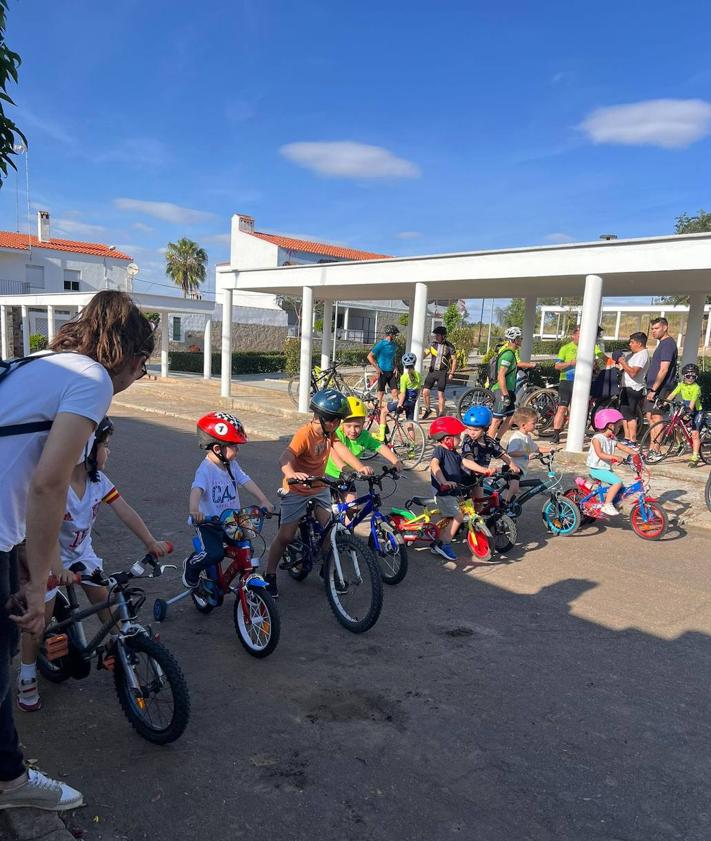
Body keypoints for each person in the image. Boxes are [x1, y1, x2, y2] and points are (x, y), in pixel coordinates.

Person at [0, 290, 154, 812]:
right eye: (142, 368)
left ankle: (9, 774)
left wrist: (23, 558)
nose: (137, 381)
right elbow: (48, 484)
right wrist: (40, 582)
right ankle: (10, 780)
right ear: (134, 358)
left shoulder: (38, 364)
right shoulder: (91, 380)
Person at [17, 417, 170, 713]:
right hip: (47, 555)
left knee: (107, 604)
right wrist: (59, 569)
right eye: (105, 445)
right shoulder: (55, 487)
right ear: (84, 447)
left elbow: (125, 511)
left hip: (81, 553)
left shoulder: (99, 482)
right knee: (40, 619)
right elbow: (44, 533)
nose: (108, 452)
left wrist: (150, 541)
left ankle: (123, 654)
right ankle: (26, 676)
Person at [263, 390, 373, 599]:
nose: (339, 424)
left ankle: (327, 570)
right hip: (296, 489)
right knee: (286, 536)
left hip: (319, 487)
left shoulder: (329, 433)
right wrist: (292, 473)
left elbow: (340, 448)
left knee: (328, 530)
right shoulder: (305, 434)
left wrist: (359, 467)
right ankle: (269, 574)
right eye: (338, 420)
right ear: (326, 419)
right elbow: (285, 457)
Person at [183, 412, 275, 588]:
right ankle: (192, 565)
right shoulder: (206, 469)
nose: (238, 451)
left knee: (246, 548)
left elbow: (245, 480)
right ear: (218, 449)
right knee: (214, 554)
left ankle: (246, 585)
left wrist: (264, 500)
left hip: (232, 520)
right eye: (234, 446)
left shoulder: (231, 464)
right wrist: (195, 510)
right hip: (210, 524)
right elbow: (197, 489)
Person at [326, 396, 402, 502]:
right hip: (329, 474)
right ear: (342, 424)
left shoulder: (365, 436)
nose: (353, 430)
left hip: (349, 475)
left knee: (353, 506)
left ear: (364, 424)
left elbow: (380, 447)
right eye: (348, 426)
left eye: (357, 426)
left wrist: (395, 461)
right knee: (328, 506)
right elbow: (334, 453)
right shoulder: (338, 433)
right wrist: (347, 468)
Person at [428, 416, 482, 561]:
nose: (460, 438)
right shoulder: (440, 451)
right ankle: (444, 544)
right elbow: (434, 465)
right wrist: (443, 481)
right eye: (458, 436)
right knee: (458, 516)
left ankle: (438, 540)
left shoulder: (454, 453)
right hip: (444, 492)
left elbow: (467, 463)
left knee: (451, 516)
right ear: (447, 439)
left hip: (454, 492)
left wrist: (484, 470)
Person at [551, 326, 606, 444]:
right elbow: (557, 366)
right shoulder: (566, 348)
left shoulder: (592, 347)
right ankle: (556, 434)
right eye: (580, 335)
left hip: (584, 382)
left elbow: (604, 360)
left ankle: (578, 432)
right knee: (562, 408)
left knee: (581, 408)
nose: (583, 338)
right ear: (574, 335)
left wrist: (597, 363)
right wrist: (571, 363)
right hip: (567, 381)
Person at [460, 404, 520, 499]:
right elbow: (469, 460)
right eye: (469, 429)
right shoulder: (468, 442)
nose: (471, 432)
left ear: (485, 428)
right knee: (465, 505)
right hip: (465, 477)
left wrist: (512, 465)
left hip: (479, 478)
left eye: (476, 430)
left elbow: (502, 454)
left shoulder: (489, 442)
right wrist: (484, 470)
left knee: (479, 501)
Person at [586, 408, 636, 516]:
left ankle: (612, 501)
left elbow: (624, 447)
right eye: (618, 426)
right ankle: (607, 505)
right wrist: (614, 457)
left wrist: (636, 453)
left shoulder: (611, 439)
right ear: (610, 426)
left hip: (605, 468)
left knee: (621, 487)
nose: (619, 428)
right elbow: (600, 454)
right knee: (617, 482)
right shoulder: (597, 438)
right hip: (596, 469)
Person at [644, 317, 679, 459]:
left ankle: (656, 450)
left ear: (665, 327)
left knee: (657, 418)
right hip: (653, 387)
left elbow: (664, 369)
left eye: (656, 328)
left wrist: (654, 389)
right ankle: (652, 448)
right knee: (651, 417)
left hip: (661, 388)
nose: (653, 331)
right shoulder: (662, 344)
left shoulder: (668, 344)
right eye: (652, 328)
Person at [665, 364, 704, 467]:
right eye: (688, 376)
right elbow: (672, 395)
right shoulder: (681, 385)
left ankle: (695, 456)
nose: (690, 378)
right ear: (683, 376)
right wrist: (663, 403)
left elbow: (692, 403)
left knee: (695, 434)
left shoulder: (696, 388)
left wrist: (688, 412)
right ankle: (681, 443)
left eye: (693, 376)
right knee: (675, 425)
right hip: (686, 409)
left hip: (695, 411)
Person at [488, 326, 523, 440]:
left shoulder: (513, 352)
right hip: (502, 390)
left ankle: (496, 441)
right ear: (514, 339)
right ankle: (488, 444)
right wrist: (505, 394)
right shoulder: (508, 354)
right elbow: (501, 375)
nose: (521, 340)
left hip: (509, 390)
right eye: (520, 338)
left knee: (510, 417)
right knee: (497, 419)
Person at [615, 332, 649, 445]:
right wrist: (618, 362)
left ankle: (633, 440)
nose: (630, 344)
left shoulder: (642, 355)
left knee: (630, 414)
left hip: (634, 388)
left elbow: (633, 373)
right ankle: (626, 437)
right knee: (624, 413)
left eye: (632, 342)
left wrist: (622, 362)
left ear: (639, 343)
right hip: (625, 386)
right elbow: (623, 368)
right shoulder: (632, 355)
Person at [379, 351, 421, 439]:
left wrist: (399, 405)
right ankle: (411, 450)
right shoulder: (419, 375)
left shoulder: (404, 377)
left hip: (404, 402)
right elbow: (419, 391)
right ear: (414, 363)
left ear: (404, 364)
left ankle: (381, 437)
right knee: (410, 425)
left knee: (383, 411)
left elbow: (403, 394)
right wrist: (414, 401)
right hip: (412, 403)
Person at [505, 407, 542, 502]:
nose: (535, 425)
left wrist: (550, 449)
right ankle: (505, 505)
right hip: (513, 467)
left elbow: (536, 449)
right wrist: (526, 454)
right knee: (514, 488)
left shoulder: (527, 437)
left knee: (515, 487)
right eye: (533, 423)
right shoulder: (517, 437)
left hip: (521, 468)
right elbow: (511, 452)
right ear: (523, 425)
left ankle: (509, 502)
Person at [421, 326, 456, 420]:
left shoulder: (449, 346)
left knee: (440, 394)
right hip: (432, 371)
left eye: (438, 335)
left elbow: (454, 360)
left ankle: (441, 414)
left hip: (442, 372)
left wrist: (452, 373)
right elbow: (425, 354)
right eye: (435, 335)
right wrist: (418, 358)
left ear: (443, 336)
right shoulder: (432, 344)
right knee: (425, 392)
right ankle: (428, 410)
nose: (436, 337)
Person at [367, 325, 400, 414]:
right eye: (395, 334)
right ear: (390, 334)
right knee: (381, 393)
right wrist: (377, 368)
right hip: (382, 372)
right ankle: (377, 411)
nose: (395, 336)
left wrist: (396, 367)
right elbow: (369, 356)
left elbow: (393, 357)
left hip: (391, 372)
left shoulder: (394, 345)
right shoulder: (381, 344)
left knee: (395, 392)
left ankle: (395, 411)